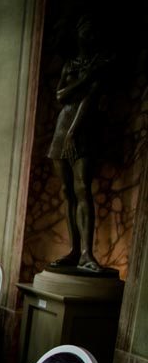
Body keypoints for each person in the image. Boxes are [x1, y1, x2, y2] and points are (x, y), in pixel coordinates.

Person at [47, 16, 111, 273]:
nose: (89, 36)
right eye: (86, 31)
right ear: (78, 34)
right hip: (62, 128)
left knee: (83, 188)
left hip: (82, 130)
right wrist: (86, 78)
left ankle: (86, 253)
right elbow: (61, 95)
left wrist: (74, 132)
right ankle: (74, 251)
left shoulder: (101, 64)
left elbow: (89, 99)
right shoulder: (72, 65)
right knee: (67, 191)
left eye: (93, 32)